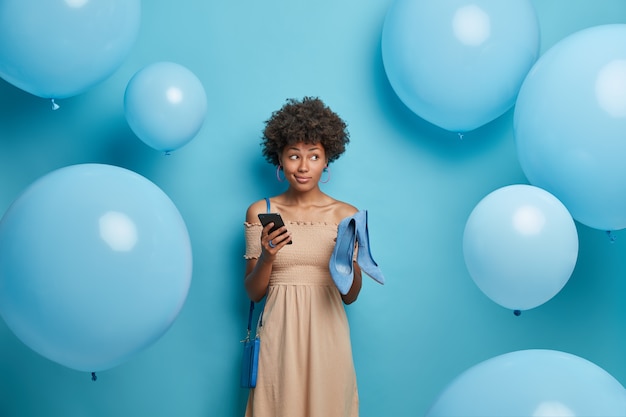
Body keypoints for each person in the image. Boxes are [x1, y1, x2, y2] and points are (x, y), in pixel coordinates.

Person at [243, 97, 361, 416]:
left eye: (314, 156)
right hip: (278, 335)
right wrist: (268, 257)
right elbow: (254, 292)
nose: (304, 166)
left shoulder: (345, 214)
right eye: (294, 155)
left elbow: (350, 295)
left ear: (327, 160)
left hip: (328, 332)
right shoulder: (262, 211)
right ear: (280, 160)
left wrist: (348, 260)